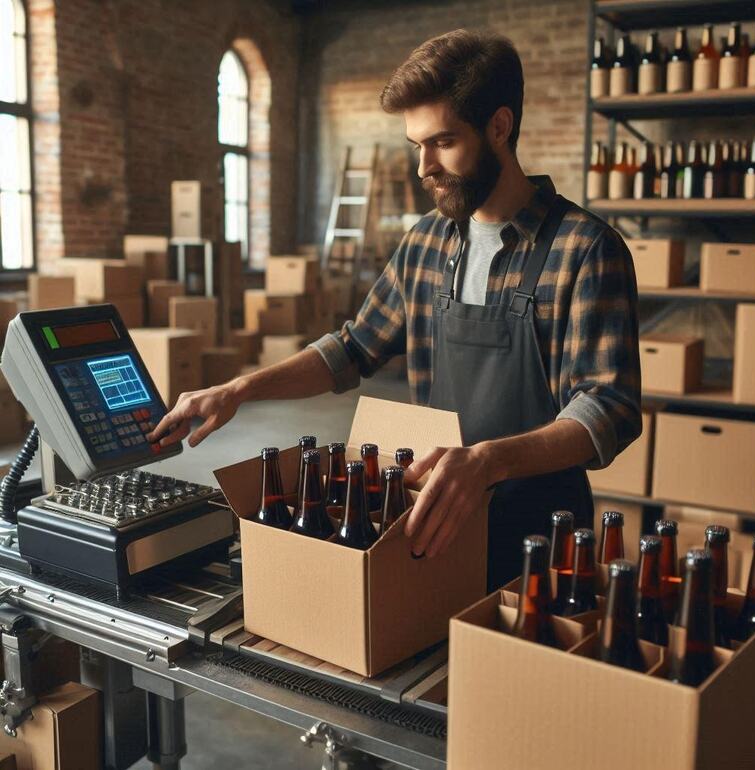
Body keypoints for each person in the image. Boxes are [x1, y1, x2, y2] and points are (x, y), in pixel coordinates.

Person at [148, 29, 641, 591]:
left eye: (443, 142)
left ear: (499, 128)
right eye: (417, 147)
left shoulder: (585, 249)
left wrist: (487, 461)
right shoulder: (427, 242)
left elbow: (608, 408)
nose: (423, 167)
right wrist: (239, 389)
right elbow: (353, 348)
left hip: (541, 540)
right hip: (434, 524)